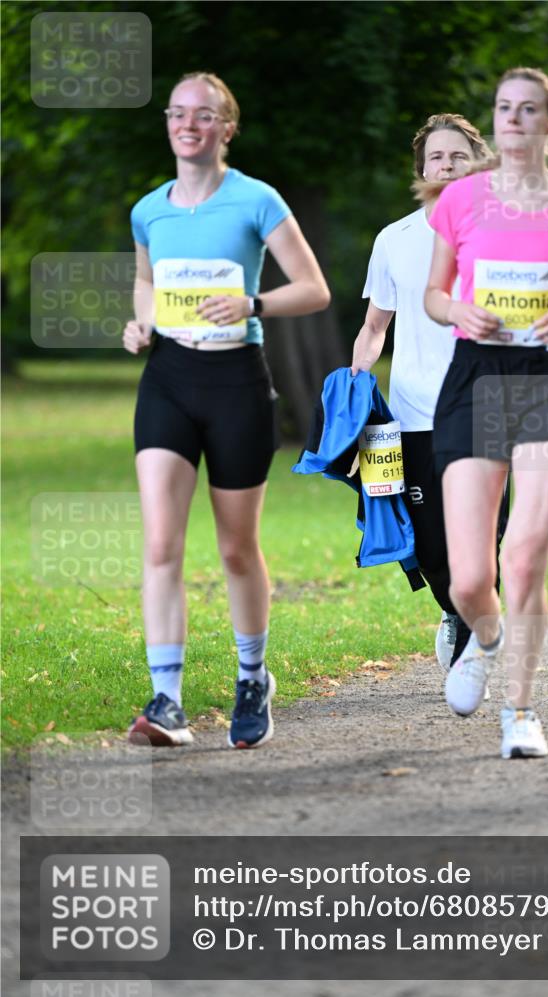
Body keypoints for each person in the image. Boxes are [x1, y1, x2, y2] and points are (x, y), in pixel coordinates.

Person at [123, 71, 330, 749]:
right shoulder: (148, 208)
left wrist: (254, 304)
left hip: (237, 381)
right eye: (177, 114)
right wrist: (140, 324)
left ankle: (251, 676)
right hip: (168, 379)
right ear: (167, 123)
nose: (188, 124)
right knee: (161, 544)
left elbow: (314, 289)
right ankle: (167, 700)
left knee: (237, 548)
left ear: (226, 128)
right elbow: (146, 281)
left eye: (203, 115)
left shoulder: (256, 200)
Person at [425, 67, 548, 759]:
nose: (512, 119)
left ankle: (520, 710)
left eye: (528, 109)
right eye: (504, 108)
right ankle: (486, 635)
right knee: (470, 579)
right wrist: (458, 310)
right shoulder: (461, 200)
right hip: (476, 374)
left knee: (525, 555)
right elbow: (433, 296)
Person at [351, 113, 508, 675]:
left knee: (488, 536)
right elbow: (375, 327)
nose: (447, 164)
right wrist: (355, 387)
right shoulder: (394, 240)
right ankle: (455, 614)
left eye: (458, 156)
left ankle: (475, 636)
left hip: (486, 405)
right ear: (421, 169)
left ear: (478, 164)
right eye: (437, 157)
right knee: (430, 544)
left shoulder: (503, 230)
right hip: (414, 413)